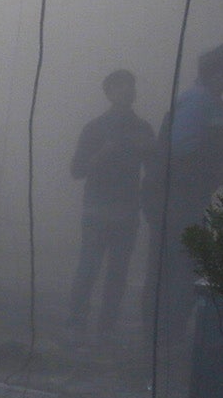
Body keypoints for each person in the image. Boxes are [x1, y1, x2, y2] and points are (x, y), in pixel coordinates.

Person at [142, 43, 223, 340]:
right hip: (174, 200)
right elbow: (181, 154)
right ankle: (161, 336)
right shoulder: (198, 102)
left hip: (187, 200)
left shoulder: (209, 102)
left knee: (180, 264)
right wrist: (218, 171)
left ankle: (165, 333)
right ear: (218, 72)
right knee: (175, 265)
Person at [66, 68, 156, 333]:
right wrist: (102, 153)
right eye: (120, 86)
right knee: (89, 268)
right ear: (108, 92)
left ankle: (106, 326)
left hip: (128, 210)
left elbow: (154, 169)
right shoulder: (95, 128)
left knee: (118, 273)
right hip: (97, 209)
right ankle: (76, 322)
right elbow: (76, 170)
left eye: (131, 85)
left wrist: (151, 149)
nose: (127, 90)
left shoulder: (143, 128)